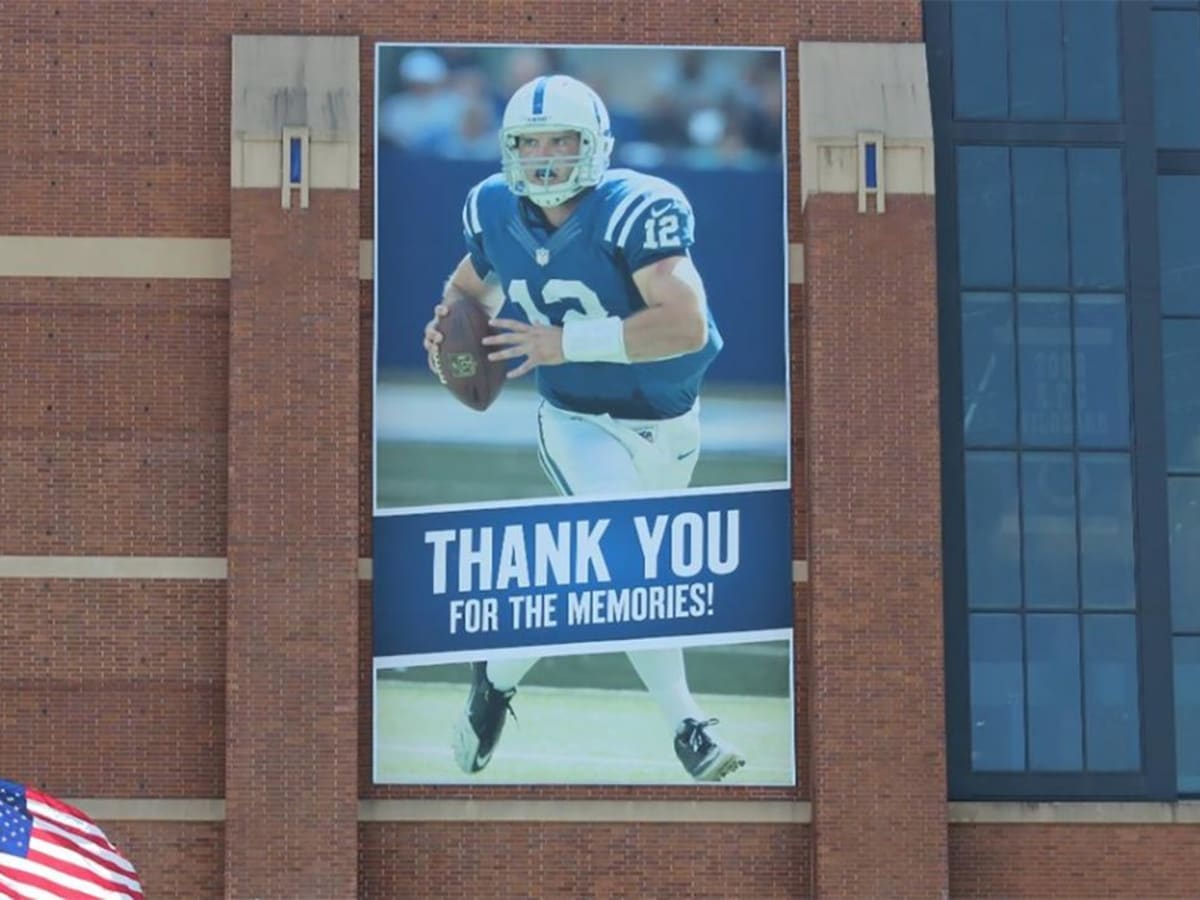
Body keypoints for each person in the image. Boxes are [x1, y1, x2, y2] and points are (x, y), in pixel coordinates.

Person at [422, 73, 744, 783]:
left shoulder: (637, 207)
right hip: (578, 421)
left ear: (594, 145)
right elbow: (466, 289)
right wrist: (450, 330)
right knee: (632, 561)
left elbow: (685, 324)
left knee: (589, 581)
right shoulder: (493, 207)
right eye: (528, 143)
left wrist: (562, 343)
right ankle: (688, 724)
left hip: (669, 422)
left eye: (559, 141)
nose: (542, 158)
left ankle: (494, 678)